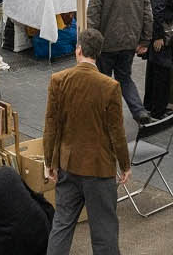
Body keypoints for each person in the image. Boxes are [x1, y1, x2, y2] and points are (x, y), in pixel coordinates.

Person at [43, 28, 131, 255]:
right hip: (99, 168)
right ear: (98, 53)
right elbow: (116, 132)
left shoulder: (58, 80)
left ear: (79, 49)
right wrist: (125, 164)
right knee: (104, 233)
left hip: (68, 165)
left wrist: (49, 161)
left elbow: (52, 126)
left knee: (61, 226)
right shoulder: (109, 87)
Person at [84, 0, 153, 122]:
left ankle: (106, 116)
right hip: (129, 43)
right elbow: (147, 15)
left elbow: (92, 20)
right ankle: (139, 112)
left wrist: (91, 48)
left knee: (103, 81)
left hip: (105, 46)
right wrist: (144, 40)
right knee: (125, 78)